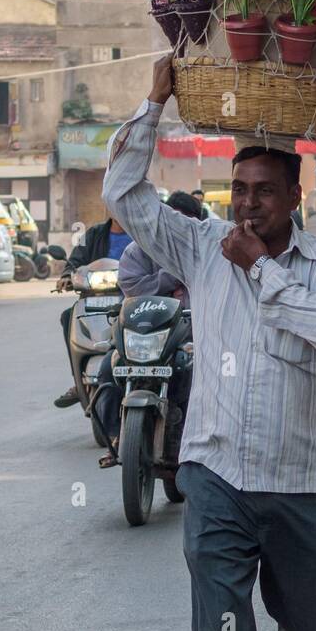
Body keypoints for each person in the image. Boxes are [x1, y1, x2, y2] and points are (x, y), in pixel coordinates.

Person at [102, 53, 316, 631]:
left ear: (294, 198)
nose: (246, 208)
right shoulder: (197, 246)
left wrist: (264, 274)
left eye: (263, 194)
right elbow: (124, 195)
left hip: (308, 482)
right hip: (215, 472)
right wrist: (152, 107)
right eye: (237, 192)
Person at [94, 191, 203, 468]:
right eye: (175, 220)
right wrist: (171, 276)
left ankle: (195, 439)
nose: (179, 229)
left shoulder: (205, 253)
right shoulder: (138, 250)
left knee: (200, 374)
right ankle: (116, 437)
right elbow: (134, 287)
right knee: (108, 368)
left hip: (192, 338)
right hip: (143, 338)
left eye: (186, 222)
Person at [53, 215, 133, 409]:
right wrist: (66, 276)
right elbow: (74, 260)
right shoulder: (92, 233)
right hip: (96, 294)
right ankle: (78, 379)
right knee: (68, 316)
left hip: (131, 295)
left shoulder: (139, 234)